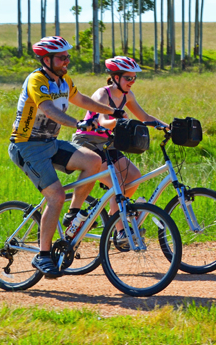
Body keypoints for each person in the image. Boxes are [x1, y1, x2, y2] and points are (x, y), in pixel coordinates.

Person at [9, 36, 122, 278]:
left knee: (92, 160)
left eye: (67, 56)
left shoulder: (63, 79)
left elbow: (80, 99)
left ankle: (74, 212)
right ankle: (43, 256)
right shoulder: (37, 80)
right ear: (46, 60)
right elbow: (47, 109)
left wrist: (111, 110)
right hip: (26, 146)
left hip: (50, 143)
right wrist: (78, 124)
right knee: (56, 196)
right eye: (62, 57)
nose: (66, 61)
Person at [71, 56, 168, 245]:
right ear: (115, 77)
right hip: (88, 142)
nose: (132, 82)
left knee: (134, 176)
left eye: (134, 78)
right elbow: (101, 121)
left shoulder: (127, 96)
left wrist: (166, 127)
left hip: (108, 143)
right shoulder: (102, 94)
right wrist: (117, 120)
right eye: (128, 78)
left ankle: (114, 215)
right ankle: (121, 230)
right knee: (119, 184)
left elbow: (144, 116)